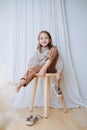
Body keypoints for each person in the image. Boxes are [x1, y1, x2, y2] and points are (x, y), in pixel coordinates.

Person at [16, 30, 63, 96]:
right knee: (35, 68)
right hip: (41, 69)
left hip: (51, 67)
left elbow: (59, 61)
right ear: (39, 40)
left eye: (46, 38)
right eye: (41, 38)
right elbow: (32, 62)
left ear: (49, 39)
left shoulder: (53, 49)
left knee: (54, 49)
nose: (44, 40)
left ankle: (43, 69)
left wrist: (59, 72)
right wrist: (32, 69)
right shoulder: (38, 51)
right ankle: (20, 83)